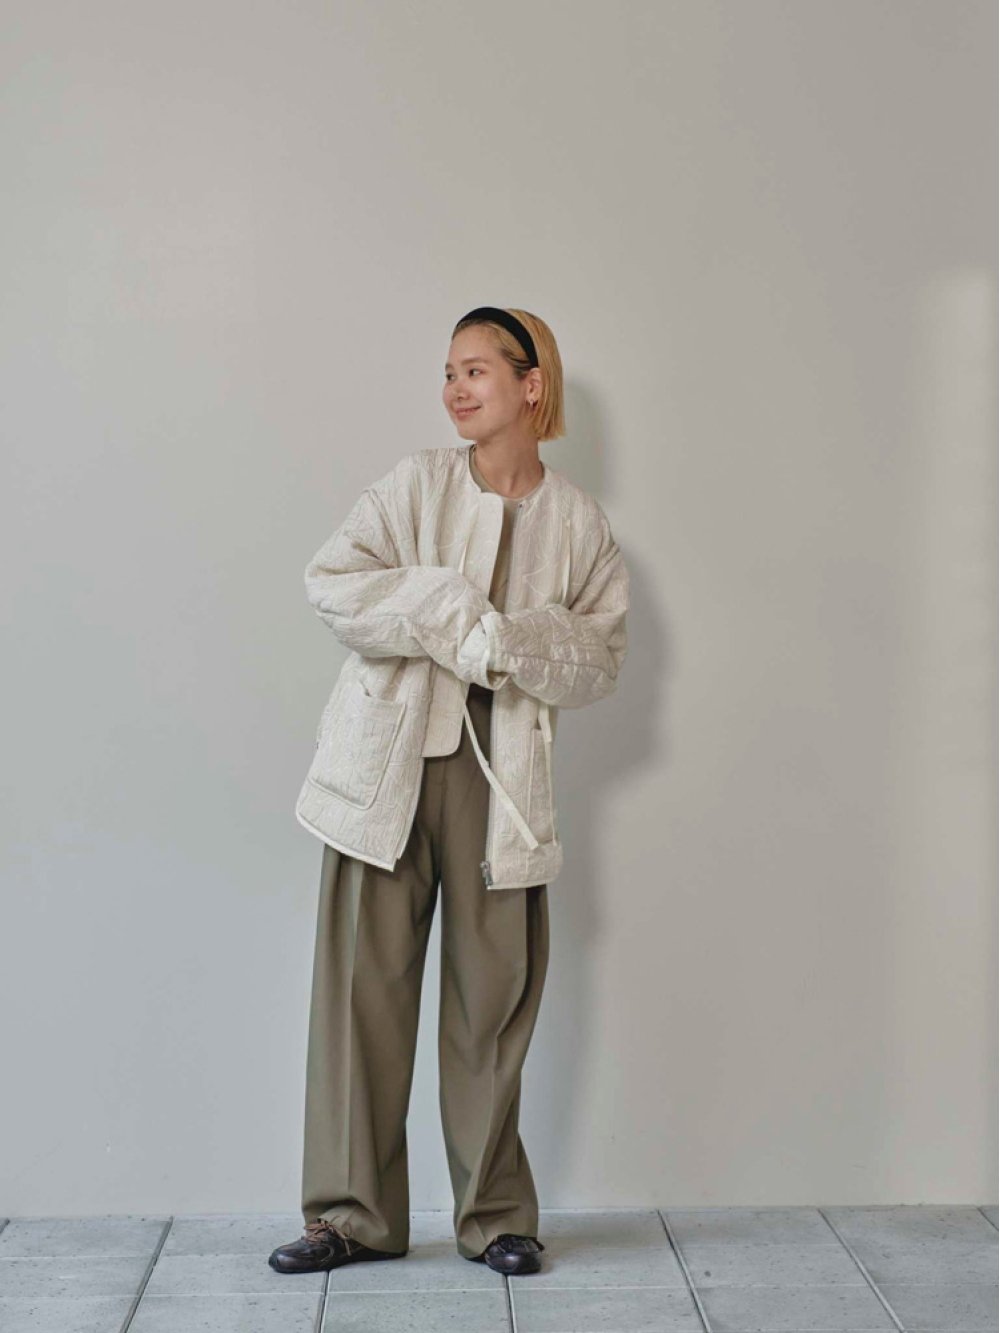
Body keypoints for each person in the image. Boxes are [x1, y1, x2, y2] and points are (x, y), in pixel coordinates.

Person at [269, 307, 630, 1278]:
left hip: (501, 786)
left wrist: (507, 642)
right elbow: (333, 583)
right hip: (384, 772)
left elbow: (600, 655)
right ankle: (348, 1215)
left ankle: (495, 1215)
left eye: (476, 369)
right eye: (448, 372)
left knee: (492, 1009)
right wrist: (442, 603)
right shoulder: (415, 485)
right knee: (362, 996)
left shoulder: (578, 522)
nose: (455, 388)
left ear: (531, 384)